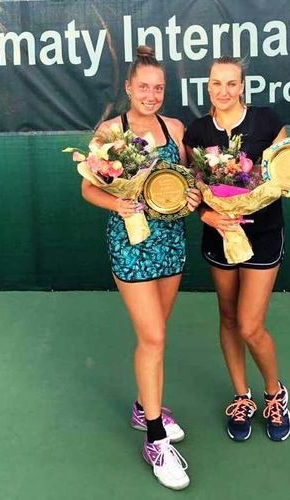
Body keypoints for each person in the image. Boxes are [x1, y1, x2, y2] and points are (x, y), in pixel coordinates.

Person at [184, 56, 290, 443]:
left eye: (231, 83)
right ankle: (241, 396)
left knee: (250, 325)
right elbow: (190, 188)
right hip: (219, 235)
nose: (224, 91)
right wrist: (207, 215)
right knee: (228, 317)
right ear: (208, 86)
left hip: (263, 234)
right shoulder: (197, 131)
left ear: (242, 86)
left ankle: (274, 393)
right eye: (217, 83)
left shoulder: (267, 121)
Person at [81, 46, 200, 490]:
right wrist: (117, 203)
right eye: (144, 87)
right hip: (130, 244)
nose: (151, 95)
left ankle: (141, 408)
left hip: (170, 242)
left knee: (157, 333)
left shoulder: (175, 128)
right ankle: (154, 439)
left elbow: (186, 180)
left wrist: (193, 195)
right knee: (153, 338)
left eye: (159, 88)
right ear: (128, 87)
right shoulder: (111, 131)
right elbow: (88, 189)